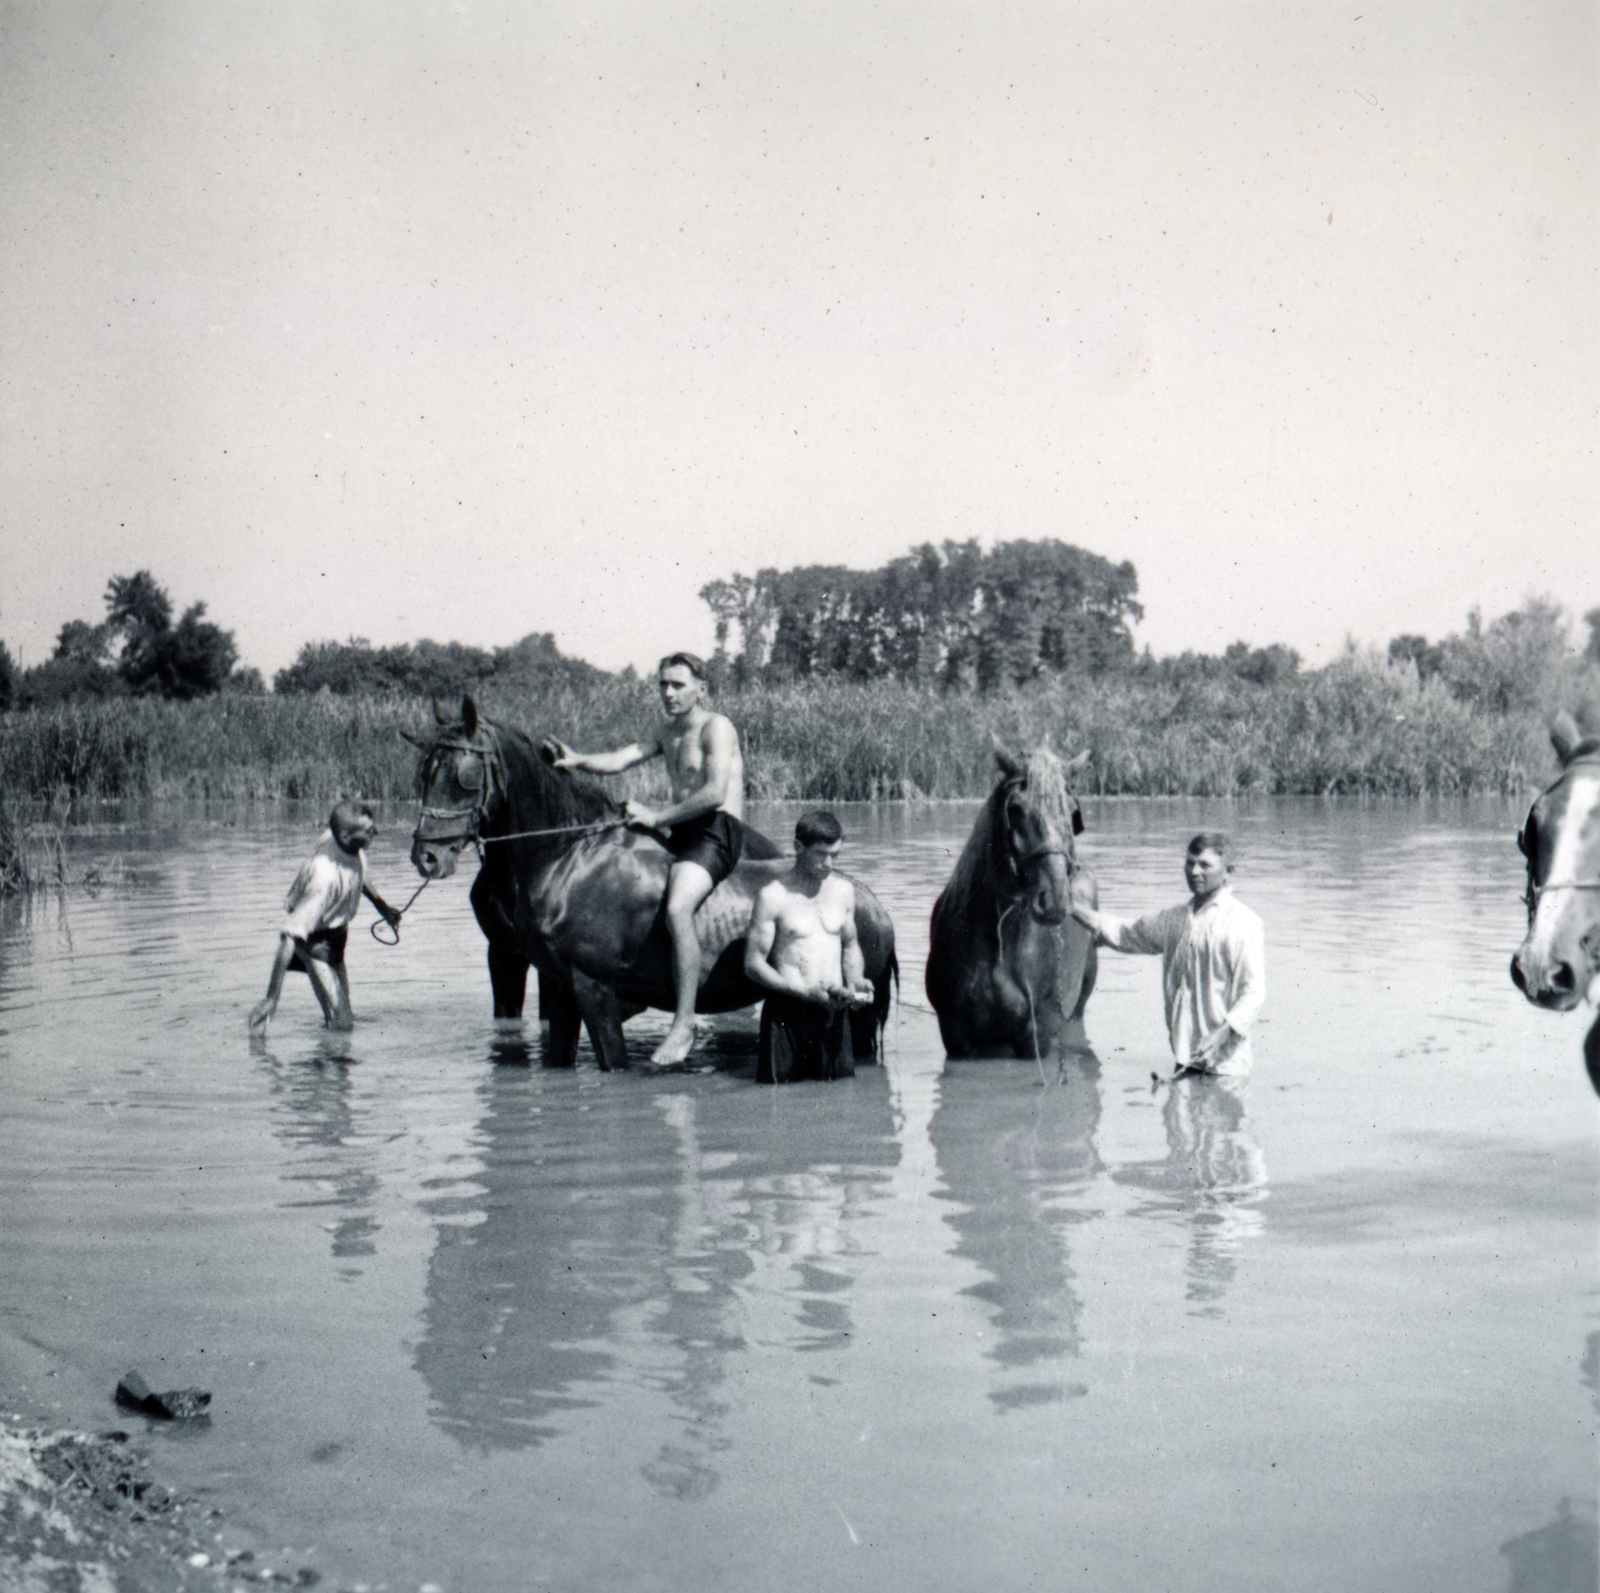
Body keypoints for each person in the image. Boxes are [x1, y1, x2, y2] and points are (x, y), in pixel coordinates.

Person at [546, 651, 749, 1067]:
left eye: (678, 684)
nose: (669, 693)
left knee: (676, 908)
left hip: (716, 831)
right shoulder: (666, 730)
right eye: (663, 684)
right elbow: (621, 758)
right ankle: (635, 993)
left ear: (701, 689)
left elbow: (713, 793)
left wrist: (655, 817)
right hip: (683, 831)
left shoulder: (717, 727)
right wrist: (578, 759)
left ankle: (685, 1023)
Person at [1070, 831, 1265, 1078]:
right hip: (1183, 1062)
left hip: (1226, 1069)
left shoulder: (1243, 922)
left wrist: (1223, 1033)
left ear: (1228, 872)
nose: (1194, 872)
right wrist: (1071, 908)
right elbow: (1127, 932)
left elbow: (1254, 992)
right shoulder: (1176, 920)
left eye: (1205, 865)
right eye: (1190, 863)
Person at [743, 810, 875, 1084]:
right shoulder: (772, 896)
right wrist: (803, 992)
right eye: (820, 854)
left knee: (840, 1101)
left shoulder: (843, 891)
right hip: (787, 1013)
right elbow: (753, 965)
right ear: (798, 848)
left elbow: (850, 946)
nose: (828, 863)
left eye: (835, 855)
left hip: (833, 1011)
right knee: (779, 1105)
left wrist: (857, 981)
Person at [249, 801, 400, 1034]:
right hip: (314, 943)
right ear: (347, 836)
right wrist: (271, 998)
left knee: (343, 1015)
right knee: (342, 1024)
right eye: (369, 831)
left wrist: (382, 907)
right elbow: (289, 937)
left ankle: (328, 1061)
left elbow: (358, 871)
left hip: (337, 940)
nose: (376, 832)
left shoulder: (346, 843)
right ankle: (325, 1061)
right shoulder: (324, 877)